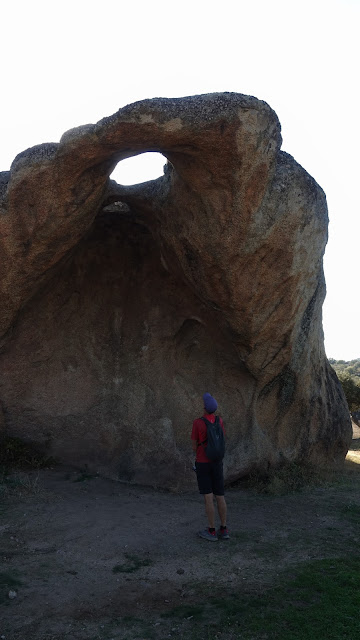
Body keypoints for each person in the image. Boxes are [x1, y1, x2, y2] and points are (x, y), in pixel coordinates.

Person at [191, 392, 229, 541]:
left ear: (204, 407)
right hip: (217, 463)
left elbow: (194, 446)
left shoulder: (198, 423)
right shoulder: (219, 421)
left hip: (203, 463)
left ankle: (212, 530)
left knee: (208, 497)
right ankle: (224, 529)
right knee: (220, 495)